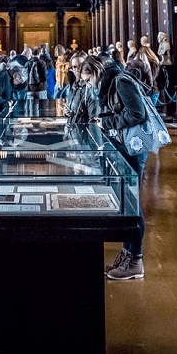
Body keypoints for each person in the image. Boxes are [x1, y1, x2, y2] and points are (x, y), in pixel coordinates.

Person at [97, 54, 150, 280]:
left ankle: (135, 261)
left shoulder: (121, 81)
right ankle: (127, 255)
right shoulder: (113, 82)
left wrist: (106, 122)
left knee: (133, 203)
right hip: (125, 147)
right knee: (128, 202)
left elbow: (137, 113)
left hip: (133, 149)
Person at [65, 54, 101, 123]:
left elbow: (94, 119)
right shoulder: (75, 84)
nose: (78, 69)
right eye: (74, 67)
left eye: (80, 65)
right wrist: (67, 111)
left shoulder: (90, 86)